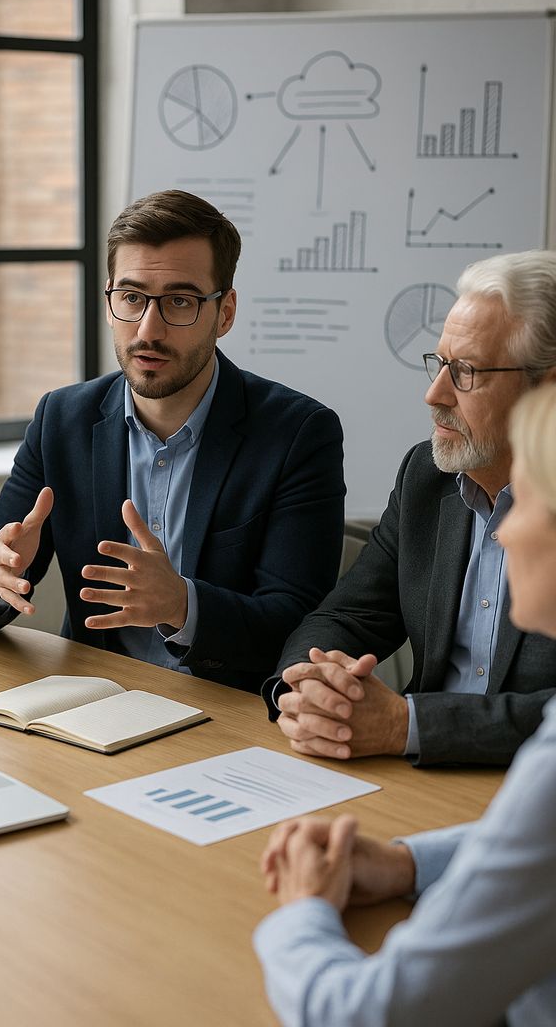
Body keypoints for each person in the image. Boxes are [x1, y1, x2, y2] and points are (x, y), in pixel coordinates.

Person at [0, 190, 345, 692]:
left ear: (225, 313)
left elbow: (299, 624)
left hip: (226, 712)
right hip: (96, 702)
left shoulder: (298, 433)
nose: (148, 330)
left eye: (180, 301)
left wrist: (182, 604)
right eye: (132, 298)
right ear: (110, 299)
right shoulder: (62, 419)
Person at [254, 379, 556, 1027]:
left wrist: (303, 910)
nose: (501, 535)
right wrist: (409, 863)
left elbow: (368, 1014)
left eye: (526, 502)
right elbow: (349, 611)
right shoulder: (429, 476)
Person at [266, 250, 556, 764]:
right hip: (417, 779)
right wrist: (308, 689)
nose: (434, 393)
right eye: (440, 362)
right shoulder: (427, 476)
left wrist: (408, 725)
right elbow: (349, 615)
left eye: (465, 371)